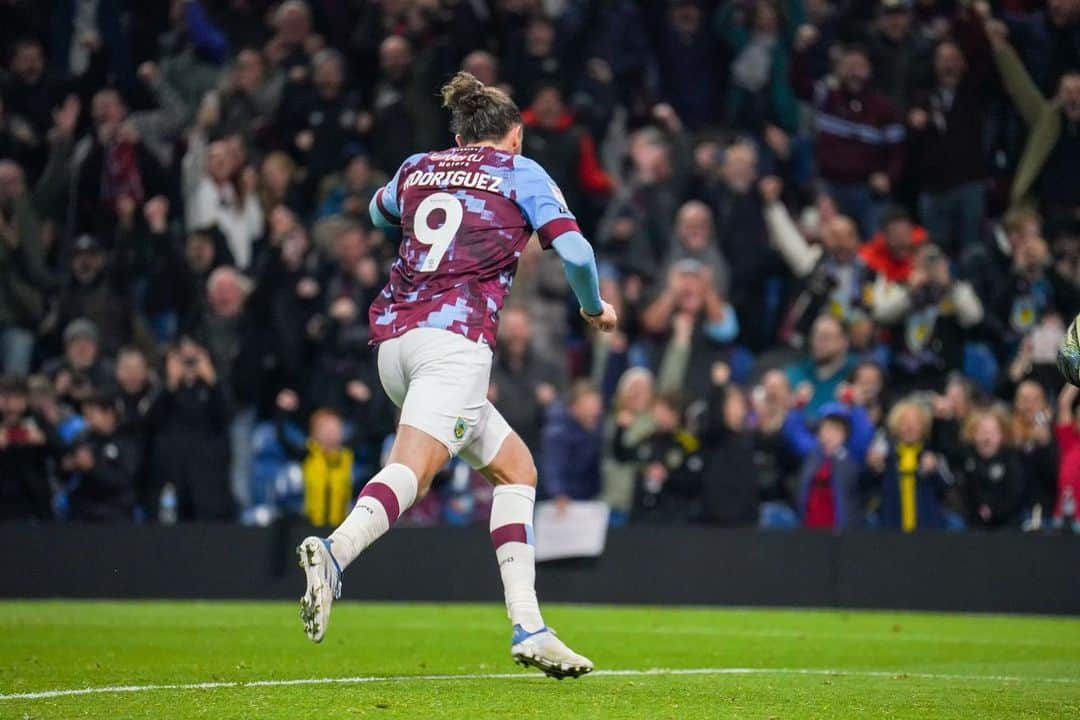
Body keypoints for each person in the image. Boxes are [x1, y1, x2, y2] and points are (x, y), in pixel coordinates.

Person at [296, 72, 616, 678]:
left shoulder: (419, 165)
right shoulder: (522, 174)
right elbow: (576, 253)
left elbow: (375, 211)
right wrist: (593, 308)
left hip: (395, 346)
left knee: (516, 470)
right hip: (455, 345)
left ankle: (530, 626)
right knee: (413, 473)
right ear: (515, 135)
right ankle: (335, 554)